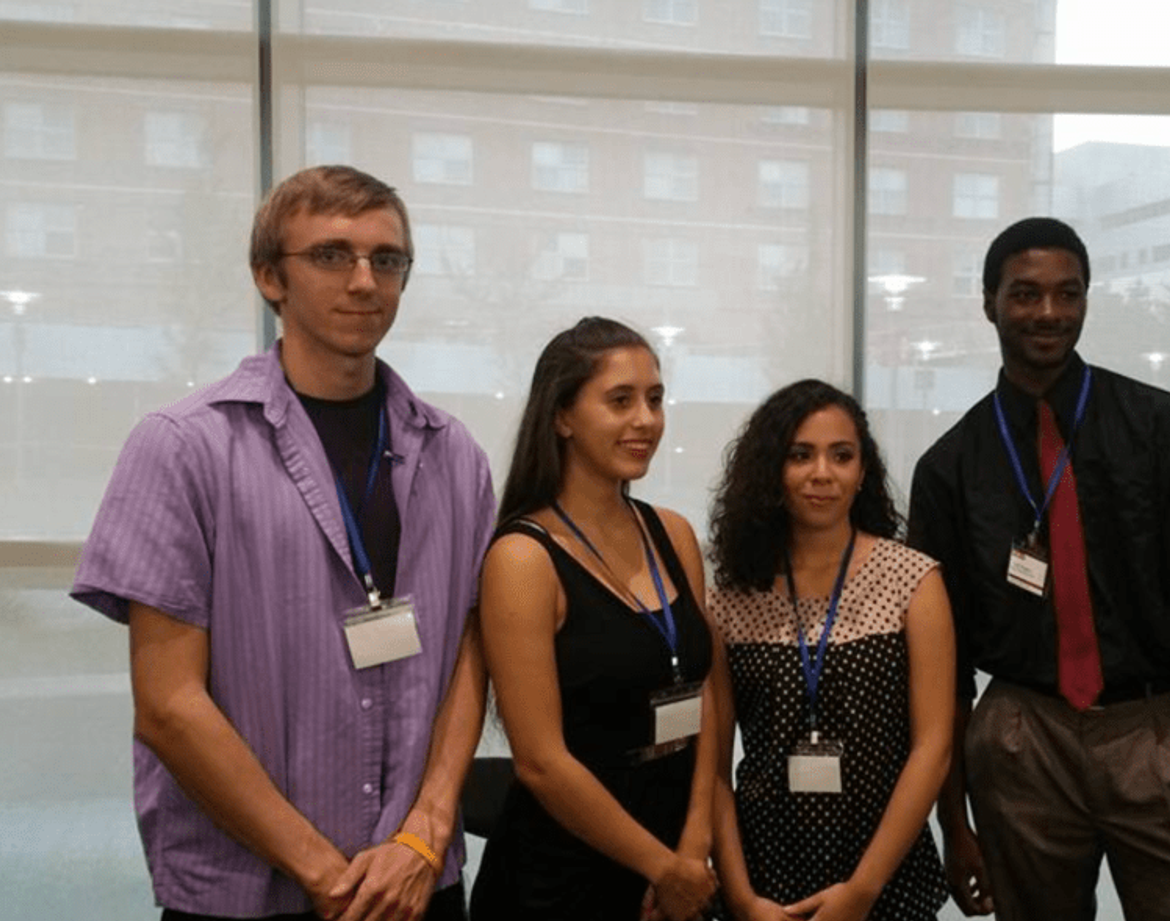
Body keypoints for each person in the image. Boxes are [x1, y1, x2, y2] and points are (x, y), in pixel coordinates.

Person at [70, 165, 495, 921]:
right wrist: (323, 873)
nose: (364, 280)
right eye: (331, 255)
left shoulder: (452, 453)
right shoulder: (182, 447)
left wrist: (426, 832)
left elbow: (470, 648)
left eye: (387, 259)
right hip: (247, 892)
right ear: (270, 276)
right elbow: (168, 705)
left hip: (415, 882)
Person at [907, 217, 1170, 921]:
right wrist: (954, 823)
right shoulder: (950, 466)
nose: (1049, 312)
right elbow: (944, 666)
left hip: (1154, 729)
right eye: (1025, 293)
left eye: (1068, 294)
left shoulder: (1165, 428)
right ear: (989, 303)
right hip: (1021, 738)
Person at [469, 316, 721, 921]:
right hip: (562, 878)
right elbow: (541, 762)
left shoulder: (672, 534)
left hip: (673, 860)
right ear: (562, 417)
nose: (646, 420)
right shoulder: (524, 558)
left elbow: (704, 695)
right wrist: (662, 867)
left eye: (655, 399)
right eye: (620, 400)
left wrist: (693, 845)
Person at [707, 379, 955, 921]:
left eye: (841, 456)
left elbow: (932, 747)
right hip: (765, 877)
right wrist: (742, 897)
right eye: (801, 455)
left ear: (862, 471)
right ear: (772, 469)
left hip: (886, 873)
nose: (822, 473)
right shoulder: (728, 599)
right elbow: (713, 770)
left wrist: (862, 890)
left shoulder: (912, 579)